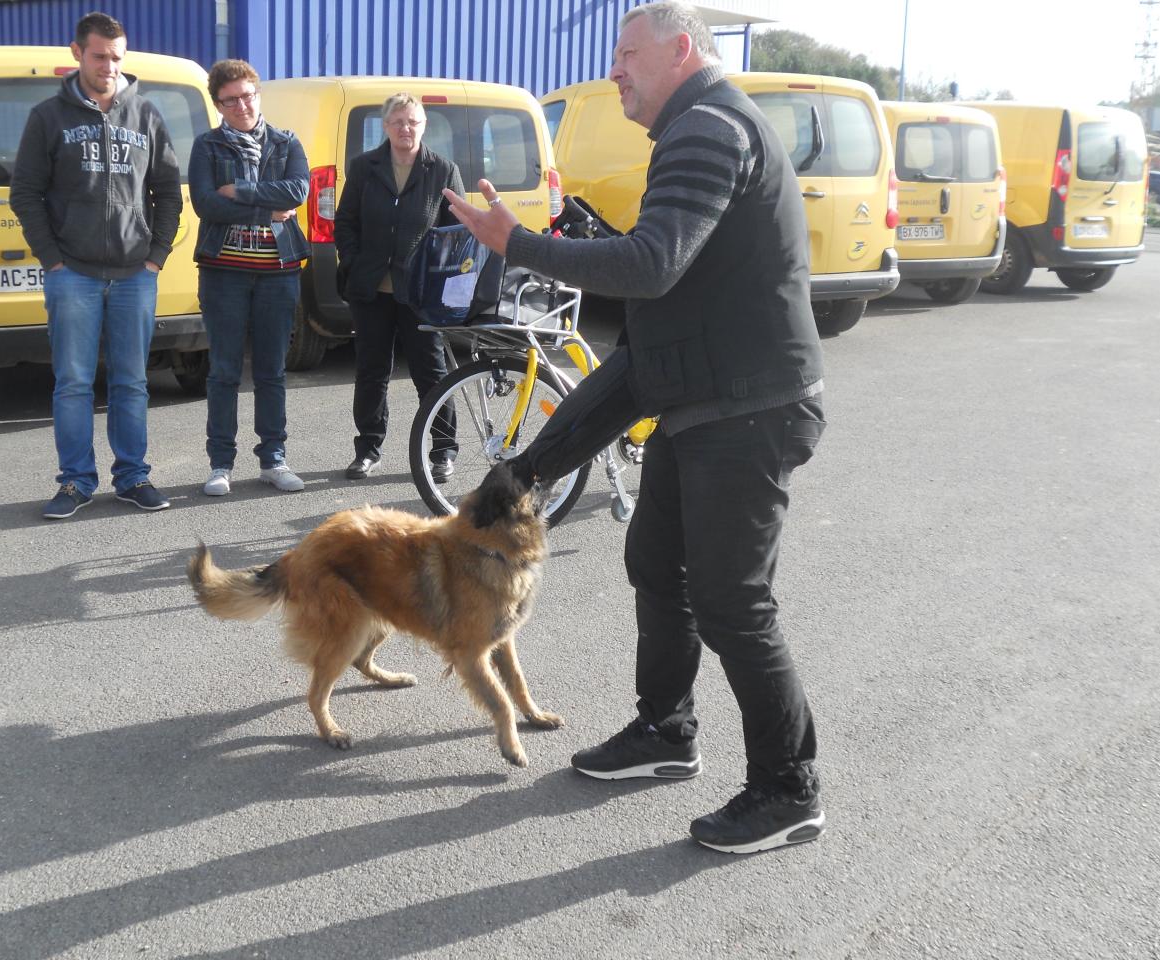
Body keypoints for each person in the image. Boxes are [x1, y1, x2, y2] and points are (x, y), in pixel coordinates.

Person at [445, 1, 827, 855]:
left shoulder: (710, 129)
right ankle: (667, 732)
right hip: (703, 403)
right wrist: (535, 464)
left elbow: (650, 266)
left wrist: (522, 244)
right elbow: (649, 346)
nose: (614, 68)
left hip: (751, 408)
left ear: (681, 50)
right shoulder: (693, 131)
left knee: (733, 602)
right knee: (656, 565)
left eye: (627, 54)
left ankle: (788, 786)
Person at [10, 11, 182, 519]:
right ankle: (75, 482)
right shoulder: (48, 117)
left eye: (117, 57)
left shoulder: (146, 114)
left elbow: (168, 191)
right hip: (74, 275)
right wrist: (53, 260)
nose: (109, 66)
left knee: (131, 381)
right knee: (74, 383)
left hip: (135, 274)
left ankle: (133, 477)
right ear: (77, 53)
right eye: (100, 55)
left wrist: (156, 257)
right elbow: (25, 194)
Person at [188, 59, 310, 497]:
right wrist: (265, 209)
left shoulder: (286, 142)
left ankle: (273, 459)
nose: (241, 105)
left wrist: (238, 192)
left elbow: (298, 191)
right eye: (231, 100)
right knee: (223, 371)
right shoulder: (207, 146)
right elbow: (205, 203)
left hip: (277, 272)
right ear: (218, 104)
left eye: (247, 95)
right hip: (224, 272)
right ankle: (221, 463)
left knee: (271, 371)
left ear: (258, 94)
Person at [334, 93, 463, 482]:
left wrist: (441, 282)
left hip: (420, 293)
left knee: (432, 372)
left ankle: (442, 450)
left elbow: (455, 232)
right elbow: (345, 222)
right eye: (398, 122)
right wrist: (355, 261)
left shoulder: (442, 170)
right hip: (372, 290)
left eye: (413, 122)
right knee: (372, 370)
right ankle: (368, 449)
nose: (405, 129)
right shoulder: (364, 167)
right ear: (385, 126)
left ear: (423, 126)